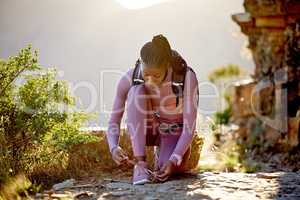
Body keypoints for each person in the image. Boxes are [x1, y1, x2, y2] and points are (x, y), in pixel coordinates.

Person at [106, 34, 199, 185]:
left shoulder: (186, 77)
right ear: (141, 65)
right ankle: (140, 163)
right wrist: (113, 147)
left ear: (167, 66)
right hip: (148, 127)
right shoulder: (130, 77)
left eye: (156, 75)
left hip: (173, 130)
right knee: (136, 92)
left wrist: (174, 159)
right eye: (146, 74)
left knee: (167, 168)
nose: (150, 81)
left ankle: (162, 156)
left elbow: (190, 127)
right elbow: (114, 120)